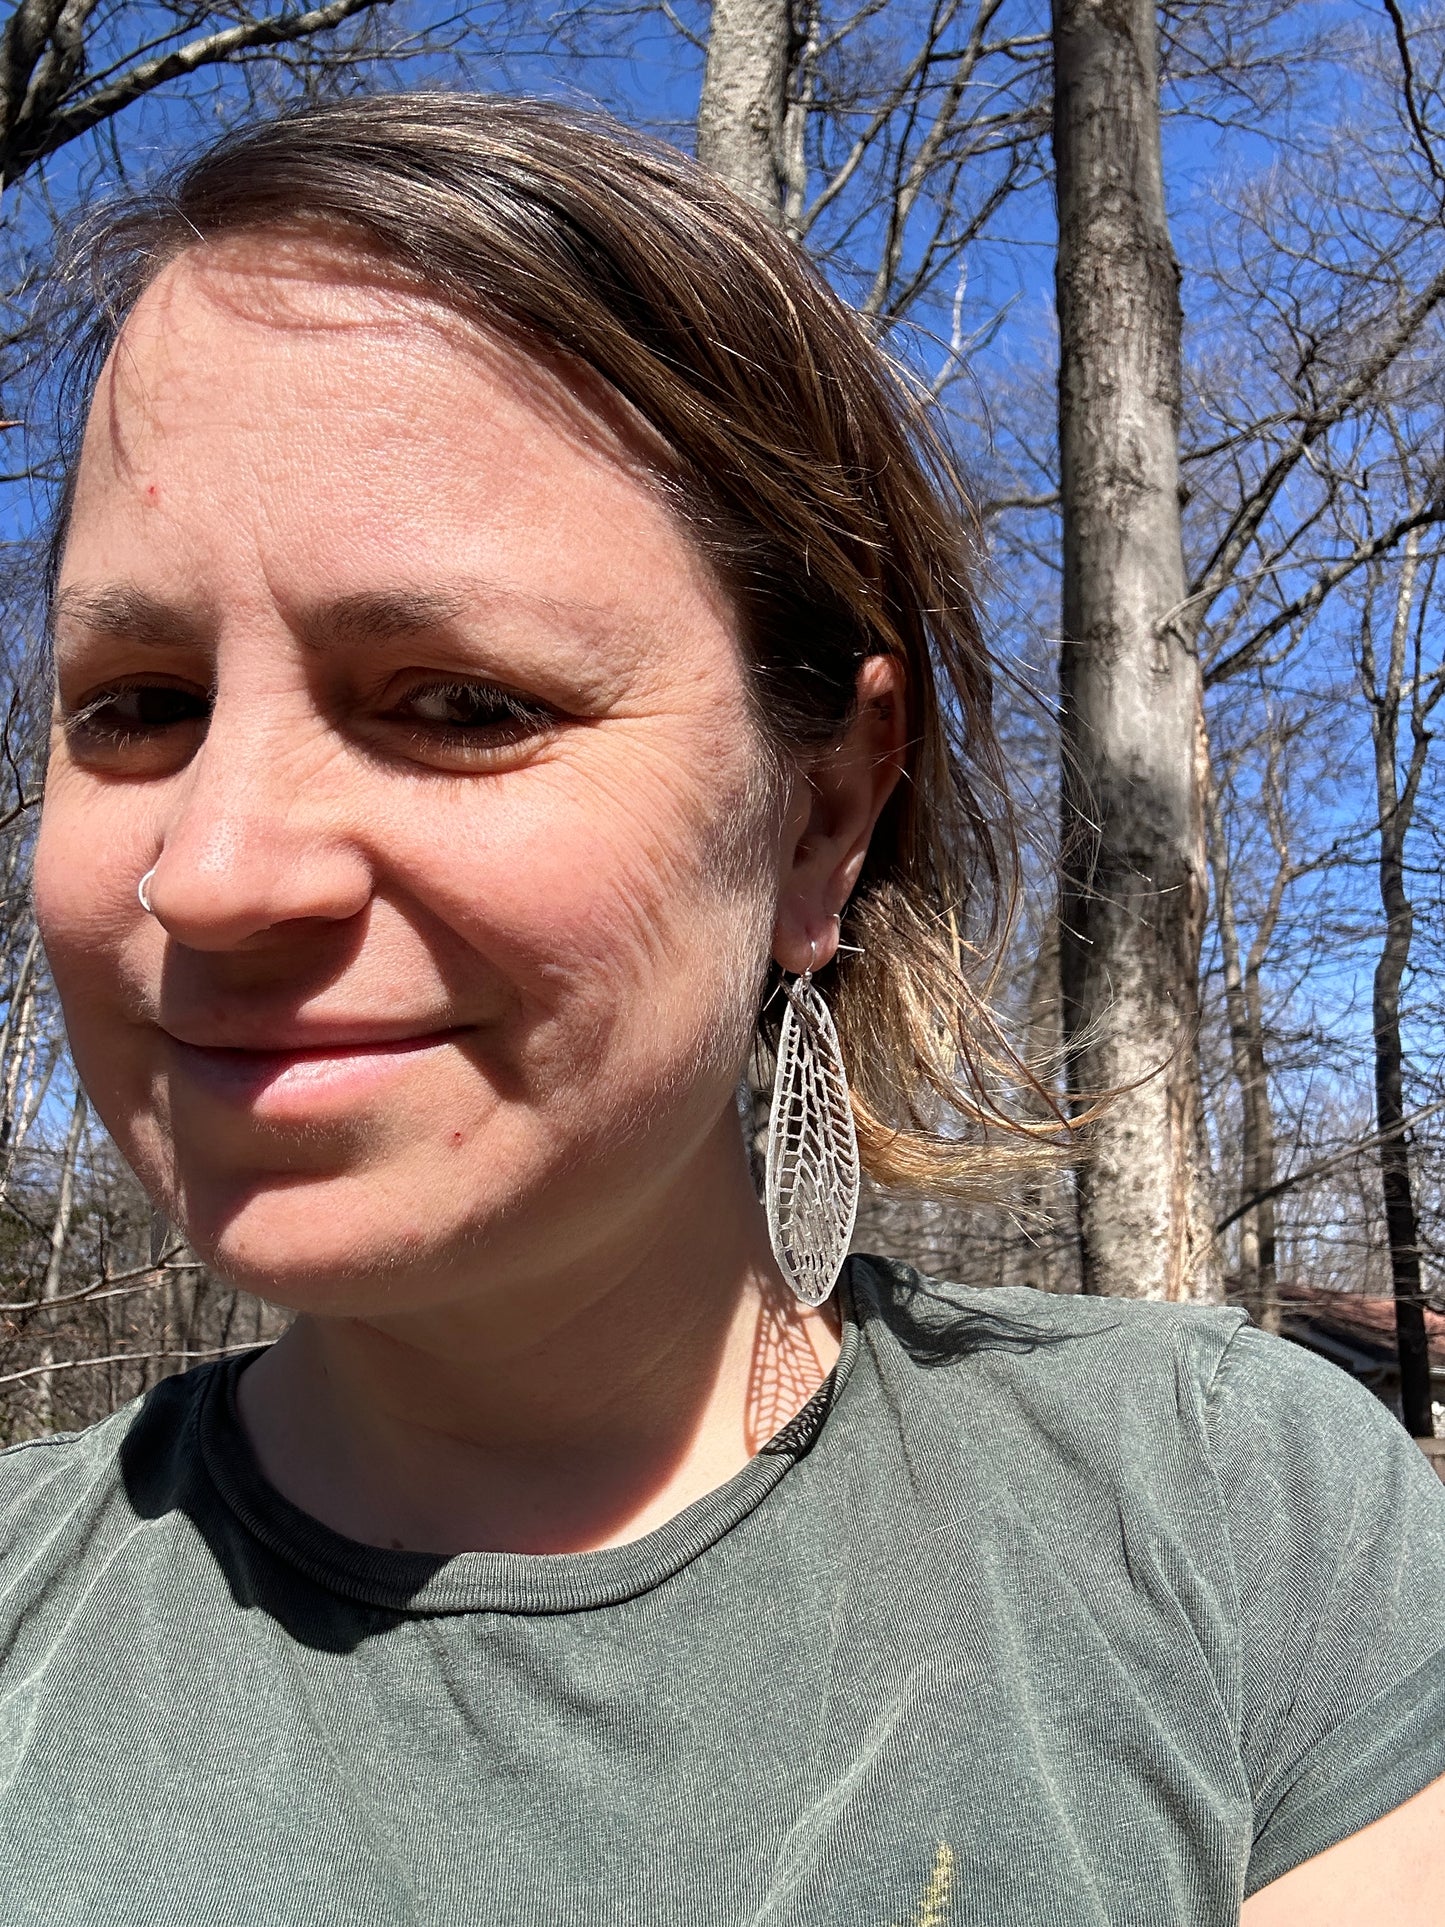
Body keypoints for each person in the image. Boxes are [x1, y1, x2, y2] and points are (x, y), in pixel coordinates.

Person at [1, 91, 1441, 1926]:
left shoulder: (1239, 1527)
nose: (207, 872)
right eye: (135, 704)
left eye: (456, 701)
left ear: (822, 811)